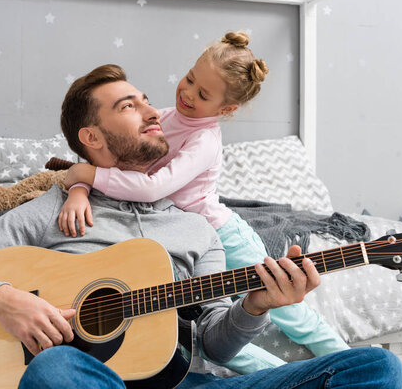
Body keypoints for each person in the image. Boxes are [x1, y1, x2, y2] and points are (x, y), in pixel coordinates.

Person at [0, 64, 402, 389]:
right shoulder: (55, 205)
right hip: (82, 378)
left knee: (377, 368)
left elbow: (215, 344)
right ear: (92, 137)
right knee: (55, 367)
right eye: (130, 107)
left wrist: (256, 305)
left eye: (148, 100)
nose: (156, 113)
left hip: (186, 384)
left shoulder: (196, 229)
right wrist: (3, 299)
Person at [56, 31, 350, 374]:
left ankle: (346, 363)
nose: (188, 92)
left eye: (203, 93)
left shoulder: (204, 140)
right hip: (173, 237)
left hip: (219, 233)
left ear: (225, 109)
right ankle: (287, 377)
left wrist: (86, 177)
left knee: (289, 311)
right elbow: (114, 162)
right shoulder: (162, 118)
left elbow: (154, 187)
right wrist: (78, 187)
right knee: (194, 336)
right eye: (190, 78)